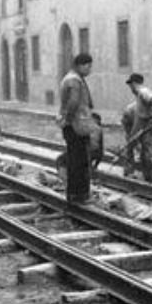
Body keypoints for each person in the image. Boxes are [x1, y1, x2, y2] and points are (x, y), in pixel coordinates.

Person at [56, 53, 95, 204]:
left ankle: (76, 194)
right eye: (88, 66)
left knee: (76, 159)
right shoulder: (74, 80)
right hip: (76, 125)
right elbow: (73, 102)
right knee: (79, 160)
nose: (90, 69)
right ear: (81, 65)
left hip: (74, 124)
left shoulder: (72, 78)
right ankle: (79, 195)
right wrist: (68, 119)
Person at [125, 73, 152, 184]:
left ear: (134, 84)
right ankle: (149, 178)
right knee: (144, 153)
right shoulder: (139, 95)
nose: (130, 88)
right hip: (147, 126)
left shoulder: (143, 91)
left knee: (151, 153)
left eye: (130, 85)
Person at [55, 112, 104, 182]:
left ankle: (66, 180)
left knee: (60, 160)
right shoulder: (99, 129)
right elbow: (100, 151)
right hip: (91, 154)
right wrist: (95, 165)